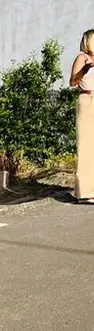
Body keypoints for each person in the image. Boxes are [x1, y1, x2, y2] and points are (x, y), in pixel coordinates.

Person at [69, 29, 94, 203]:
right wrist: (85, 69)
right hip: (87, 100)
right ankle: (85, 192)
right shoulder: (82, 58)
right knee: (86, 146)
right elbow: (72, 81)